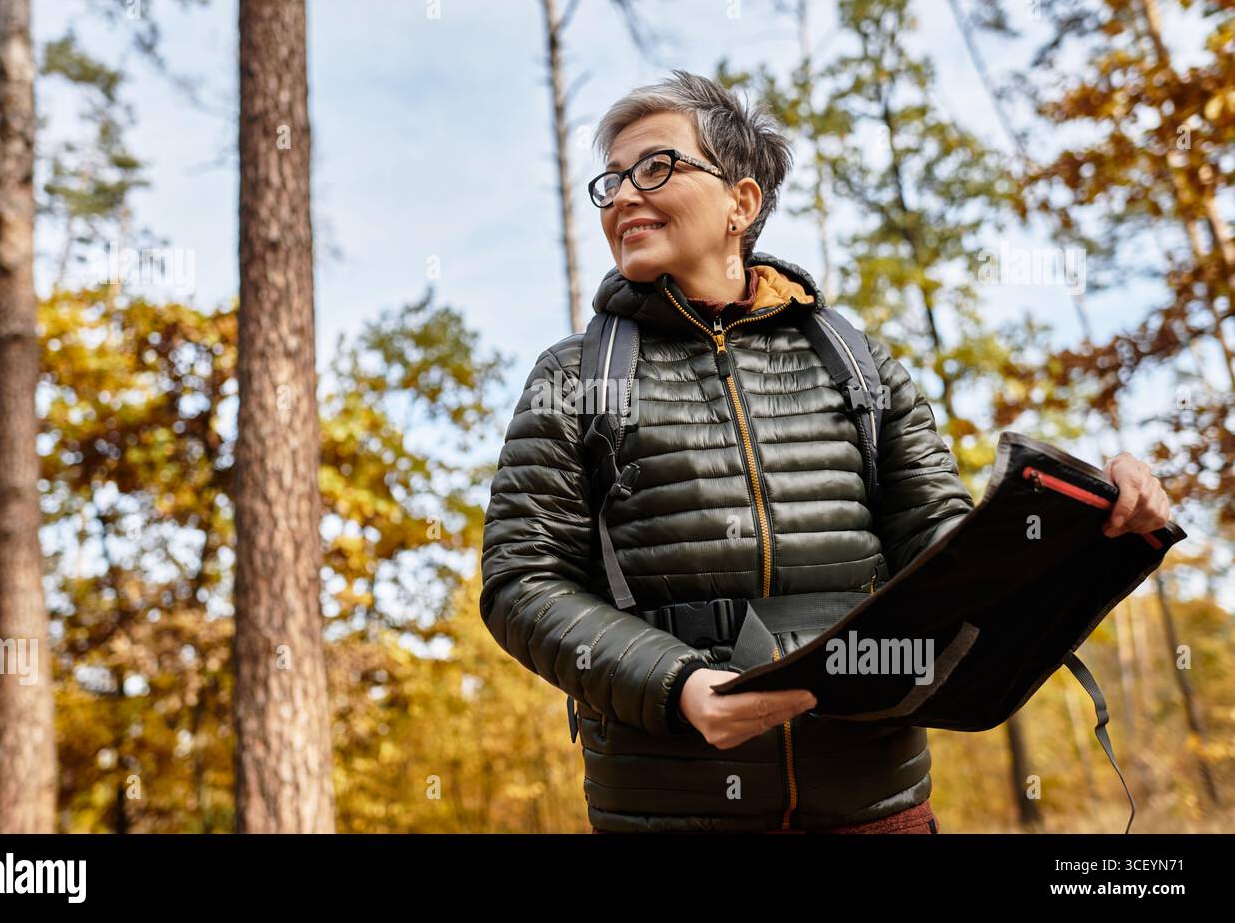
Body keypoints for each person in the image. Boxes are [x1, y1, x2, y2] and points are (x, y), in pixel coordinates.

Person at [478, 70, 1171, 833]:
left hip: (878, 804)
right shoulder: (573, 377)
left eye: (655, 167)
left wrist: (1087, 522)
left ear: (741, 203)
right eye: (610, 181)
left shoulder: (855, 361)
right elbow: (522, 582)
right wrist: (677, 686)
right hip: (668, 810)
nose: (621, 197)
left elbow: (945, 552)